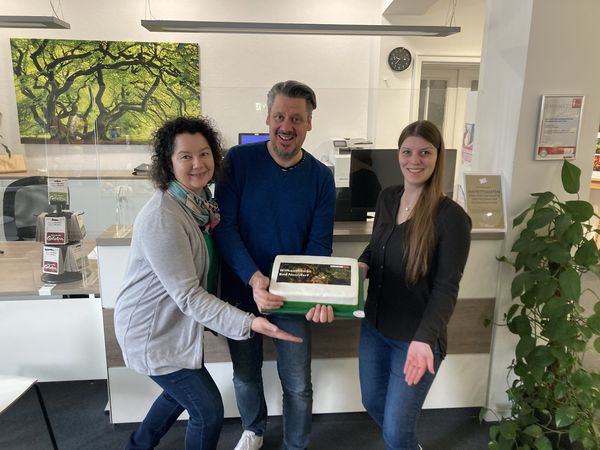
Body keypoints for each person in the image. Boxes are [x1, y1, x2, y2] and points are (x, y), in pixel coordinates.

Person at [113, 116, 304, 450]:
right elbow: (189, 295)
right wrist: (249, 322)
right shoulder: (164, 217)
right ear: (169, 163)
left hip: (172, 329)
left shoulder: (200, 206)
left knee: (178, 395)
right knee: (208, 410)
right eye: (185, 156)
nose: (198, 164)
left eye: (204, 154)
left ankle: (136, 446)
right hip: (151, 333)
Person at [214, 80, 336, 450]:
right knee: (245, 374)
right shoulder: (238, 161)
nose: (287, 126)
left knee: (297, 382)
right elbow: (225, 228)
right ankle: (253, 430)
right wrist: (254, 279)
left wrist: (297, 291)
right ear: (268, 118)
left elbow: (318, 248)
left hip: (293, 297)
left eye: (296, 118)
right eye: (280, 116)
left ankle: (295, 444)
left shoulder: (321, 178)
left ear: (309, 123)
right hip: (242, 288)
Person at [357, 120, 472, 450]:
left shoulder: (451, 217)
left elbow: (447, 288)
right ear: (398, 154)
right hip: (375, 327)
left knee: (396, 433)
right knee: (372, 403)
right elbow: (375, 247)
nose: (415, 160)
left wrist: (424, 339)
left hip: (415, 339)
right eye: (407, 152)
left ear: (438, 156)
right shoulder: (388, 198)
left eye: (425, 152)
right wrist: (361, 266)